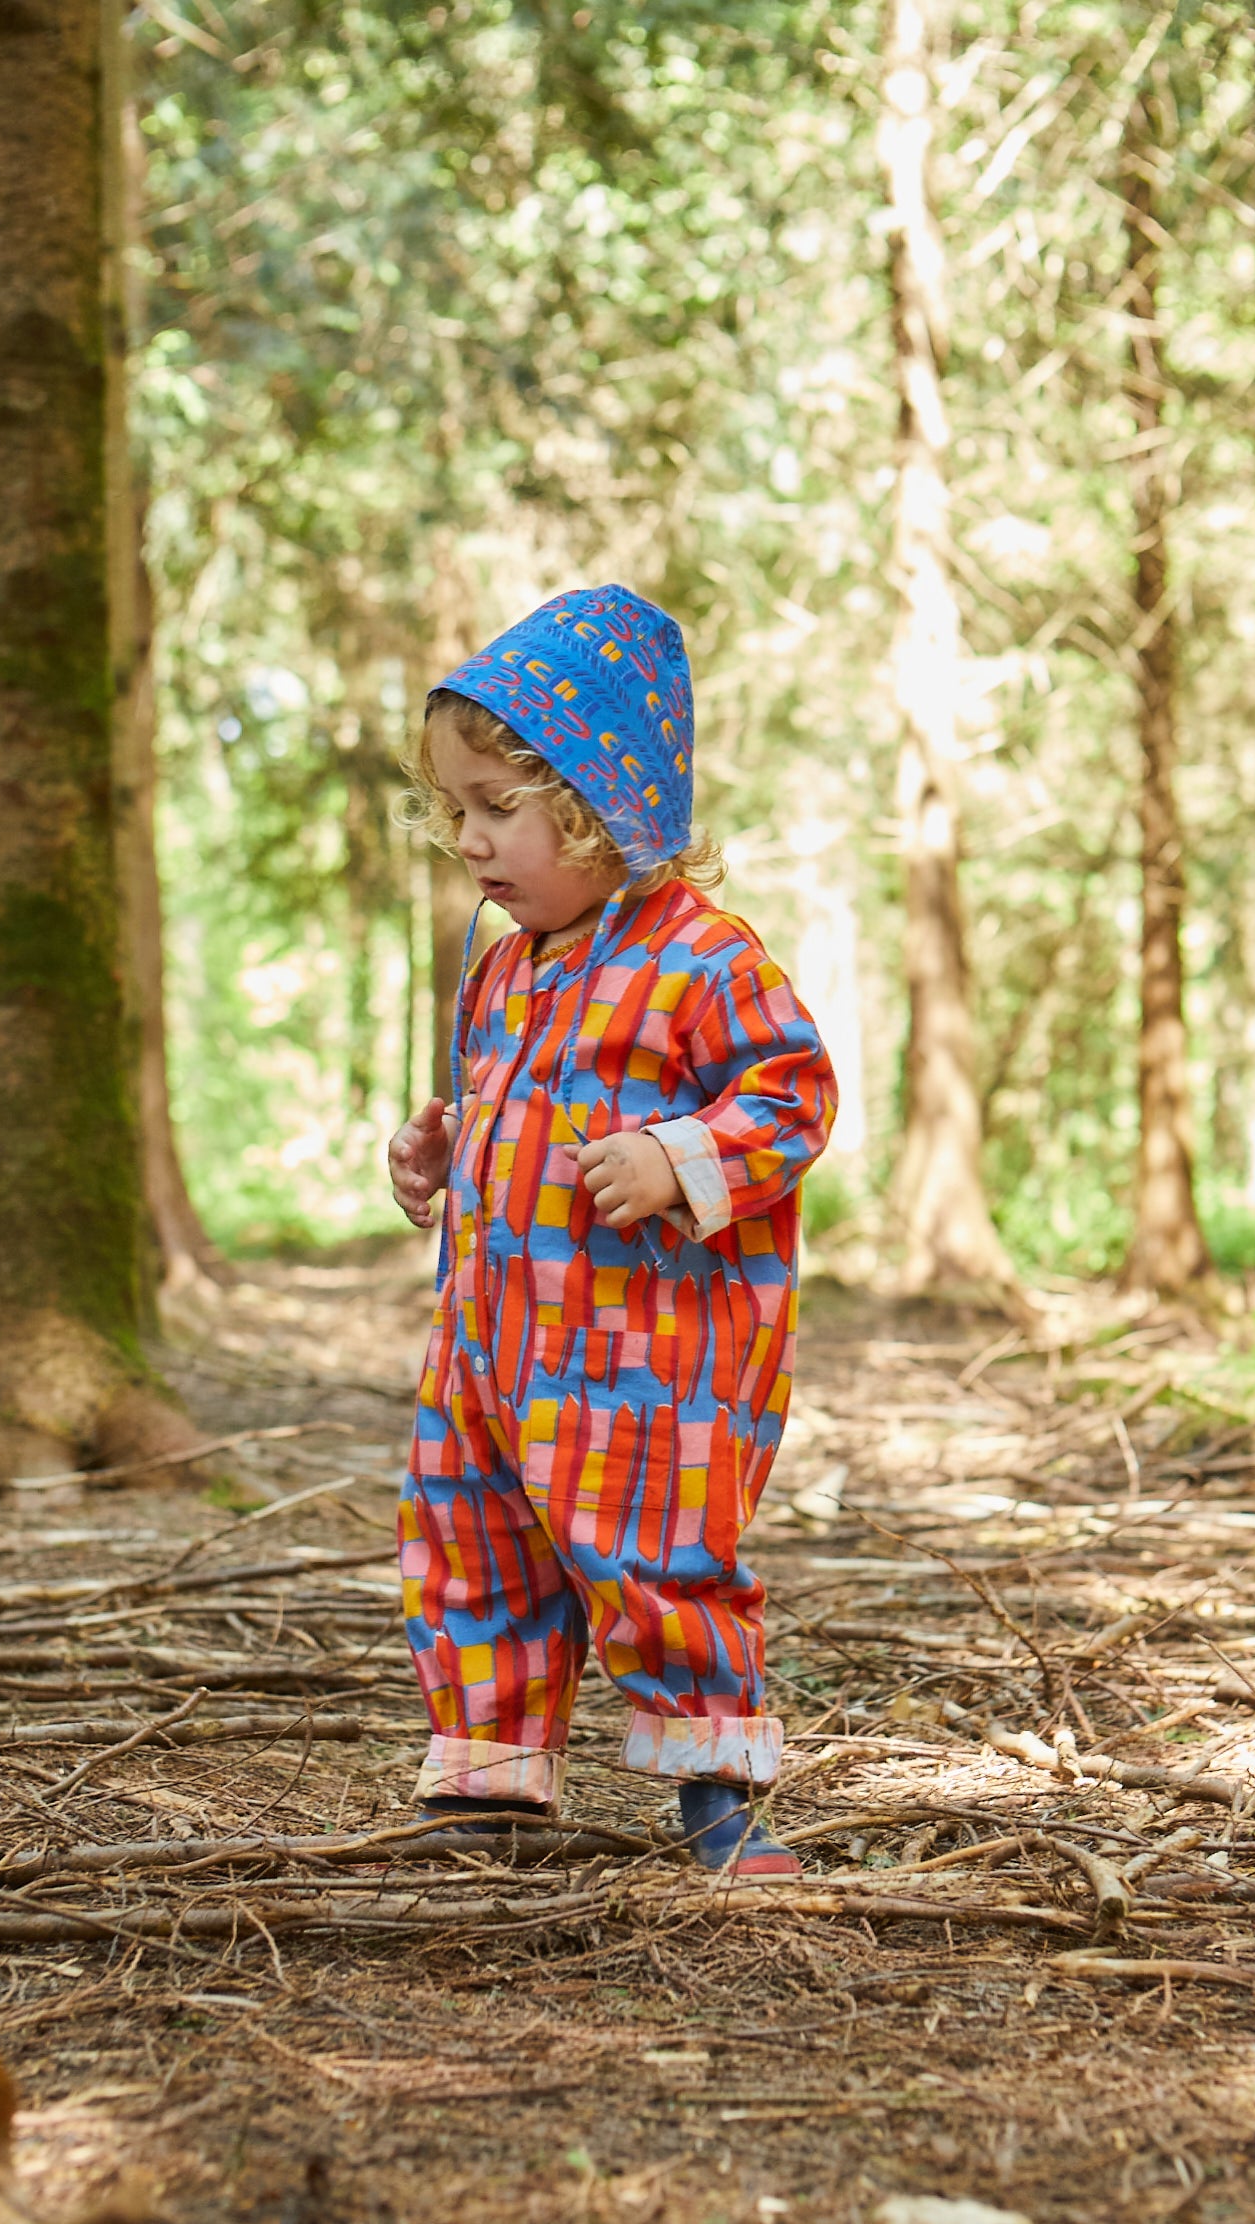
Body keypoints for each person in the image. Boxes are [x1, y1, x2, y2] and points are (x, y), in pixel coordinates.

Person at [388, 584, 837, 1878]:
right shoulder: (506, 962)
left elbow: (790, 1094)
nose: (467, 840)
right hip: (488, 1346)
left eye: (496, 807)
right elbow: (505, 1105)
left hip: (643, 1365)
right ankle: (487, 1785)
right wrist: (442, 1146)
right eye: (454, 807)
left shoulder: (703, 958)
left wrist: (675, 1154)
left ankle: (717, 1793)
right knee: (471, 1547)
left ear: (598, 799)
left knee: (654, 1562)